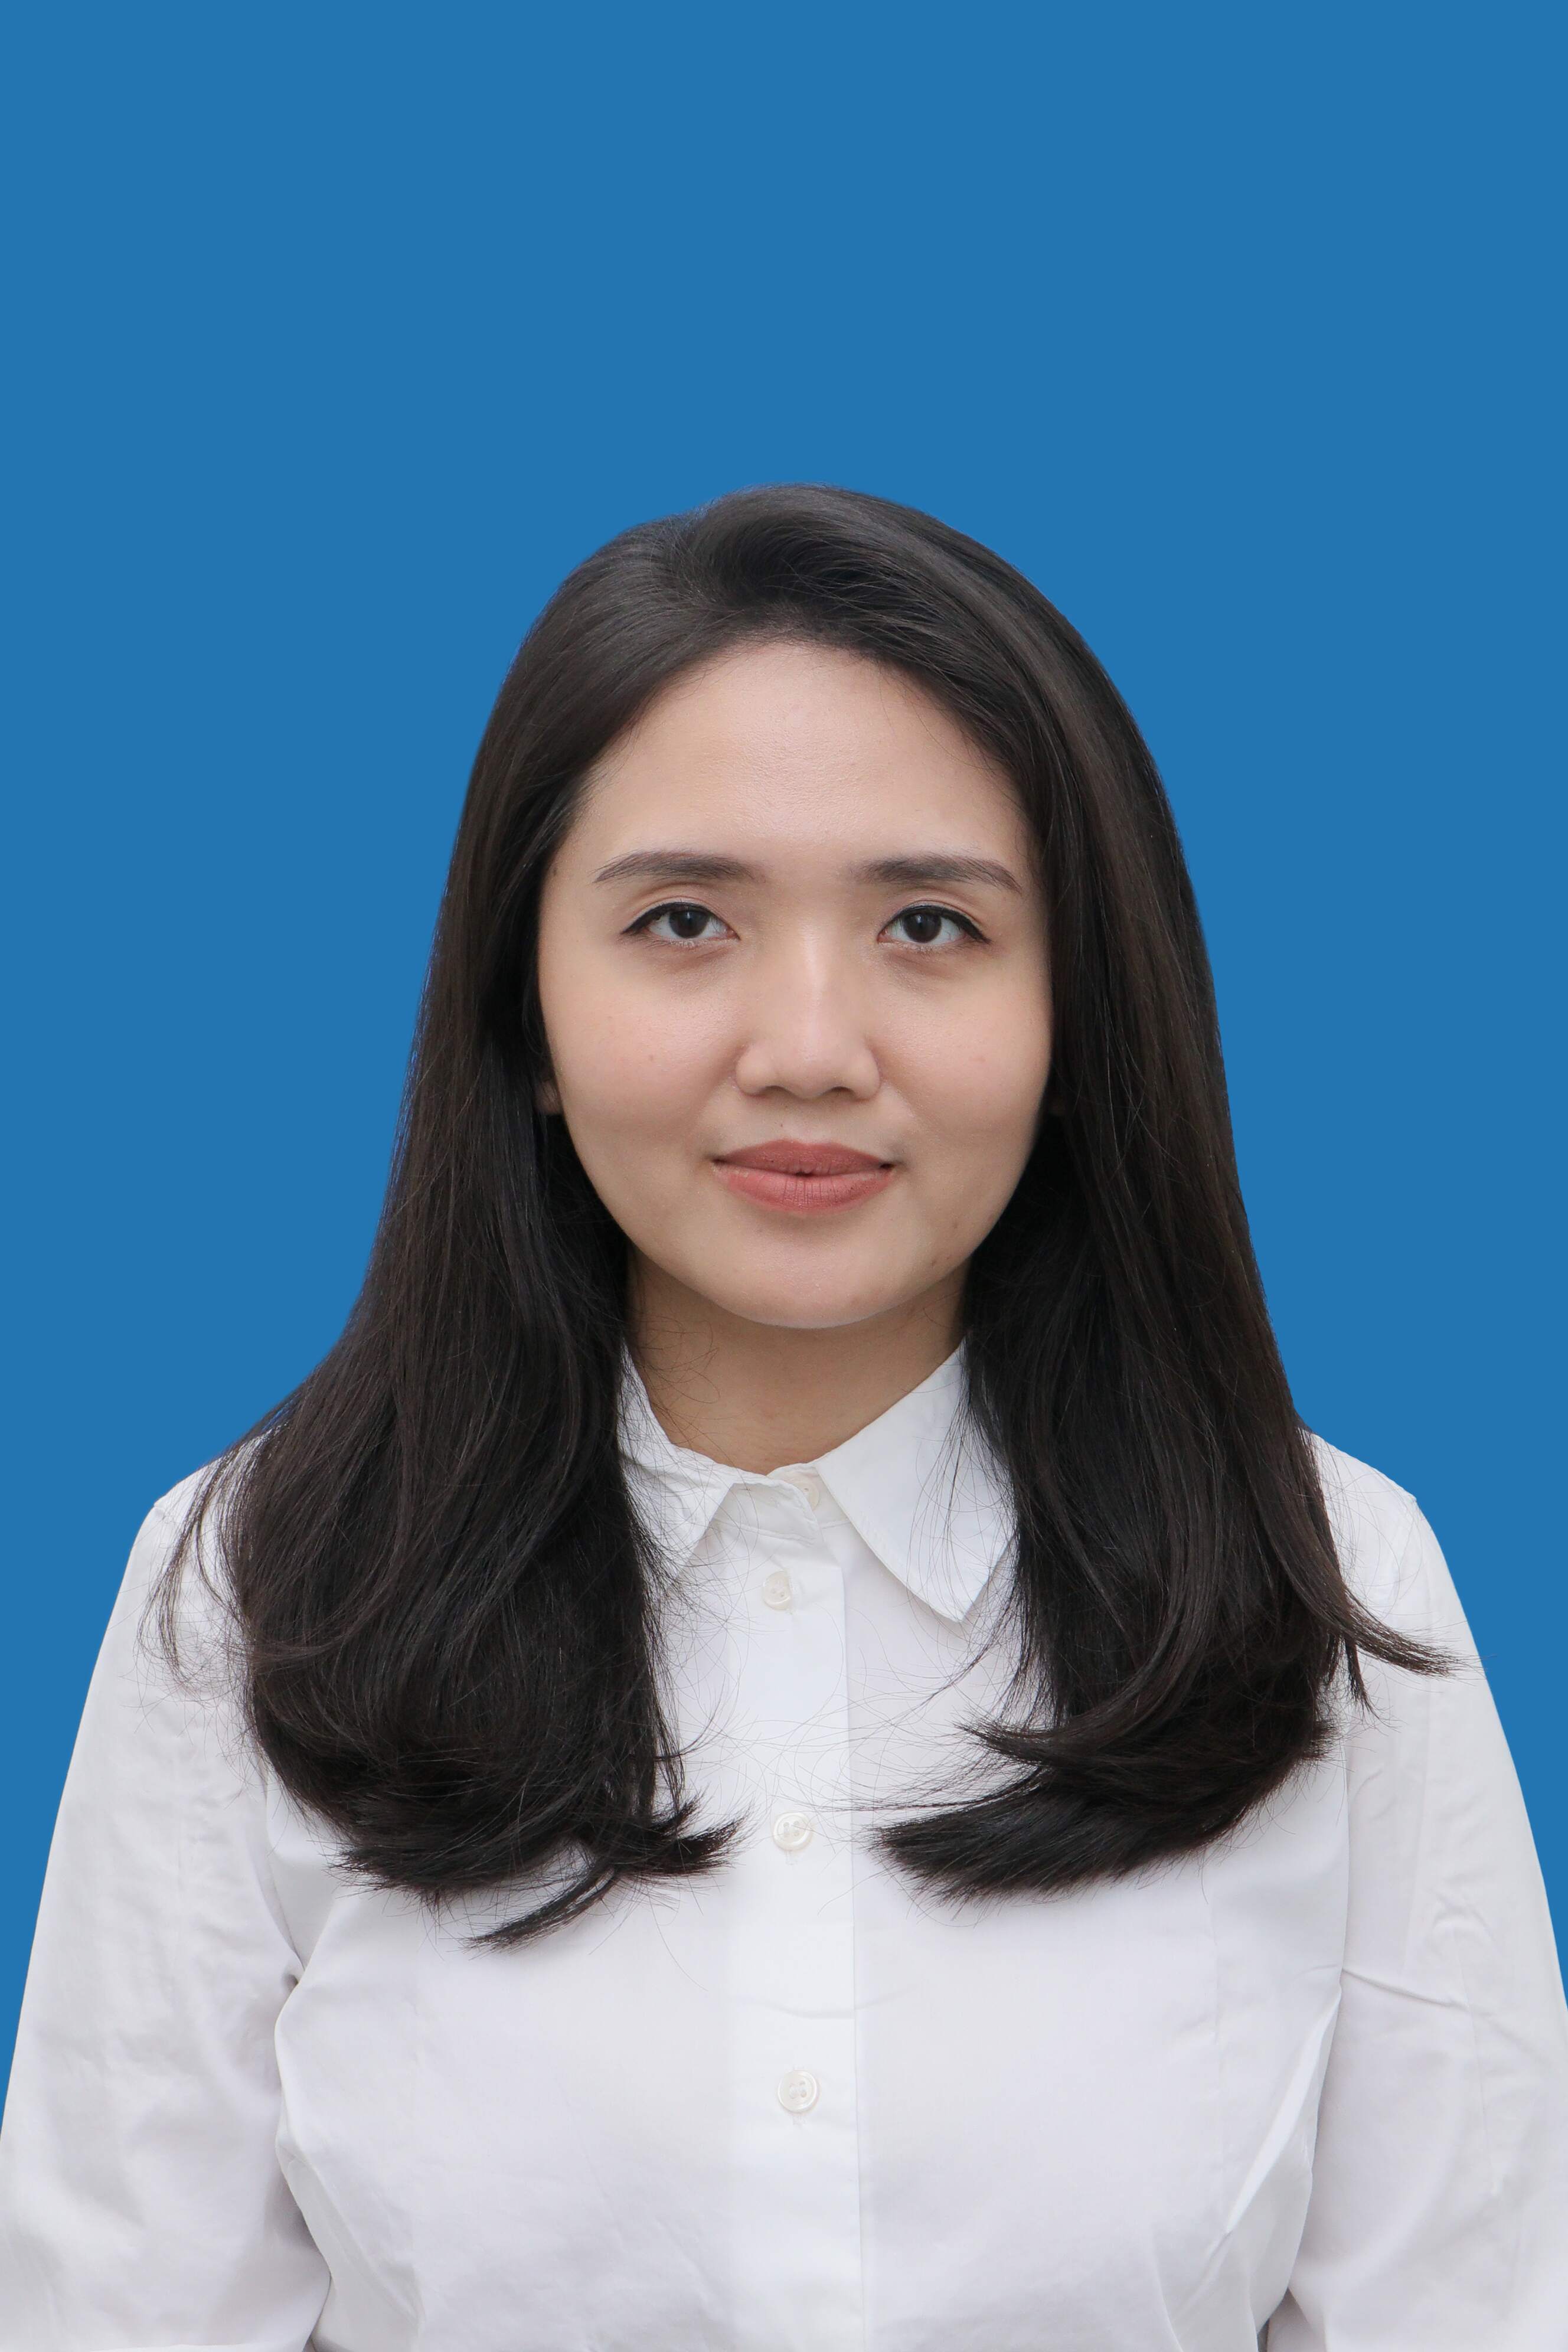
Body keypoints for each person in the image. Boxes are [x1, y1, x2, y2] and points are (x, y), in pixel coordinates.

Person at [1, 485, 1563, 2351]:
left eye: (929, 924)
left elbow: (1475, 2309)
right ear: (525, 1010)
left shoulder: (1331, 1584)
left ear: (1078, 1017)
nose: (811, 1046)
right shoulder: (258, 1584)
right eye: (684, 920)